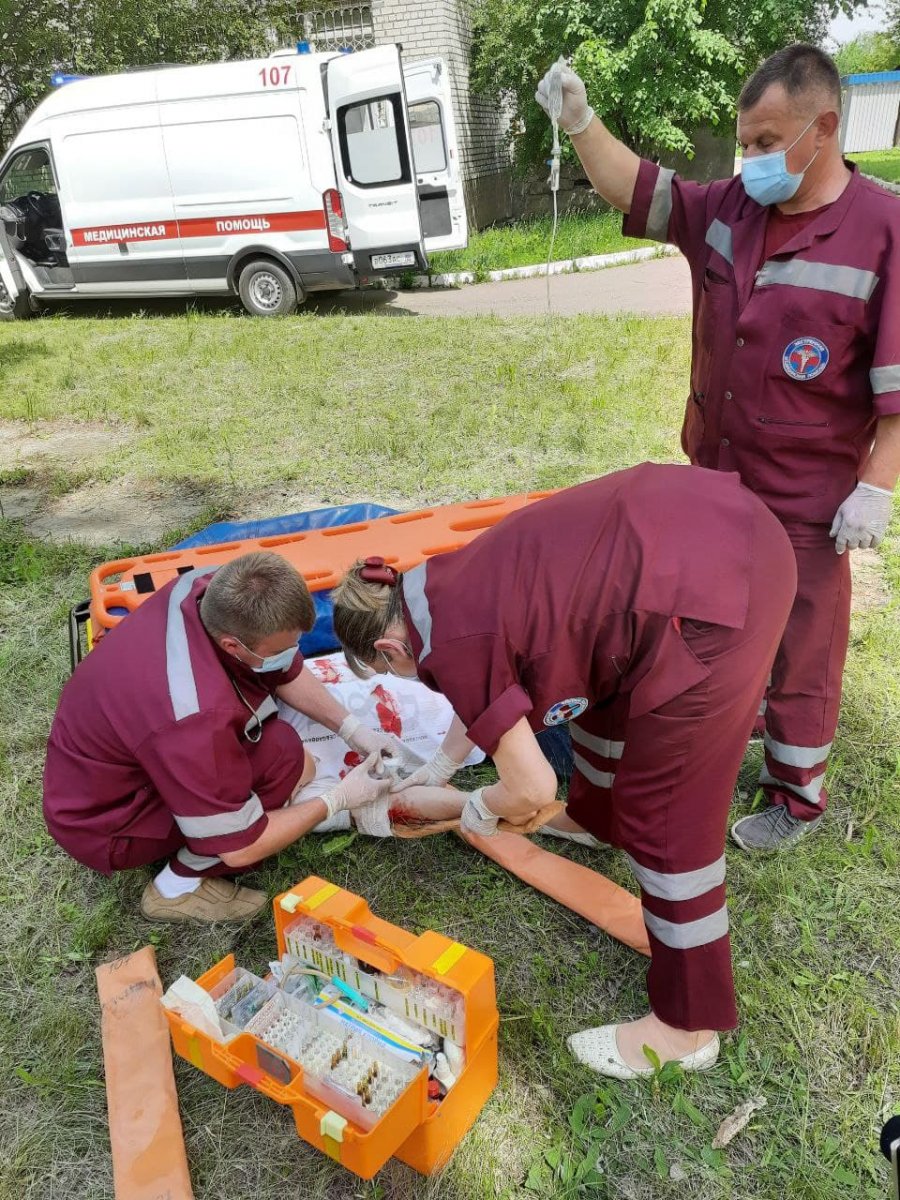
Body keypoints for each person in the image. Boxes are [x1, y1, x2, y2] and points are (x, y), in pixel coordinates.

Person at [536, 44, 900, 851]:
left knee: (803, 648)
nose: (754, 161)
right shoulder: (733, 208)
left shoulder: (883, 230)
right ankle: (693, 743)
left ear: (825, 128)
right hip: (716, 481)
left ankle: (797, 795)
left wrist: (876, 486)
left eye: (769, 142)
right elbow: (644, 191)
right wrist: (581, 121)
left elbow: (898, 385)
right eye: (747, 143)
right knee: (691, 626)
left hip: (807, 500)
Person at [330, 463, 796, 1077]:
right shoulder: (434, 588)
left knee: (668, 819)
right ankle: (596, 820)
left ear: (388, 649)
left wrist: (480, 809)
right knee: (595, 702)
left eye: (392, 673)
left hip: (717, 593)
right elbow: (489, 692)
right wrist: (441, 767)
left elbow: (530, 785)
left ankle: (688, 1025)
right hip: (708, 527)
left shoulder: (452, 643)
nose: (406, 679)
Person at [43, 552, 394, 925]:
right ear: (232, 646)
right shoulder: (193, 720)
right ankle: (178, 886)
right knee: (280, 766)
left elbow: (287, 668)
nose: (292, 656)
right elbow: (241, 848)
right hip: (107, 821)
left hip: (112, 761)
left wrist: (352, 729)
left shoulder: (212, 588)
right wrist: (336, 799)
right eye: (278, 650)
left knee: (282, 751)